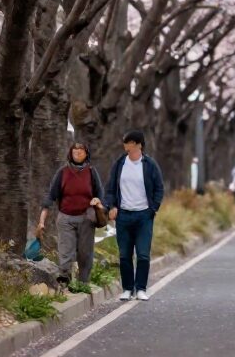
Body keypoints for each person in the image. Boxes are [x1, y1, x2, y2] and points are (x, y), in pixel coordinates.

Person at [104, 129, 165, 302]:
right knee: (124, 254)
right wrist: (112, 206)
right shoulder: (119, 164)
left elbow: (159, 187)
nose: (125, 145)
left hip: (144, 216)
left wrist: (153, 208)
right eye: (125, 142)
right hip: (123, 215)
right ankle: (127, 288)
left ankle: (141, 288)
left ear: (138, 144)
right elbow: (110, 189)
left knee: (143, 254)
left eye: (129, 142)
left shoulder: (149, 164)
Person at [37, 140, 104, 286]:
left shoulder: (91, 171)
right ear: (70, 153)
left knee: (85, 253)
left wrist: (97, 201)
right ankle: (65, 278)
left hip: (86, 217)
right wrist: (42, 221)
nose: (78, 153)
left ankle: (83, 282)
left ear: (86, 154)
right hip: (65, 217)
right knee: (66, 250)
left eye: (81, 151)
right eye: (75, 151)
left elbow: (100, 193)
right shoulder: (63, 172)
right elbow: (51, 196)